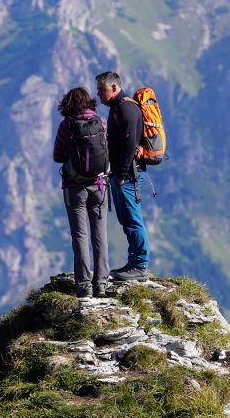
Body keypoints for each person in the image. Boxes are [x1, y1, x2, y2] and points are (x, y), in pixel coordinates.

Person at [53, 87, 110, 297]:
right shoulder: (101, 123)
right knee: (100, 234)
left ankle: (84, 285)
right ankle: (102, 282)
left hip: (74, 188)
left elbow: (57, 155)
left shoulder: (66, 126)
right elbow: (107, 152)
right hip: (100, 186)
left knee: (80, 235)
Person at [95, 71, 149, 281]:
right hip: (123, 174)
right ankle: (134, 263)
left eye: (102, 90)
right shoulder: (119, 108)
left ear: (114, 88)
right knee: (127, 219)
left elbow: (130, 145)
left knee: (132, 219)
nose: (99, 94)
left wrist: (121, 175)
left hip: (128, 176)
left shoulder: (126, 109)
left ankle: (139, 265)